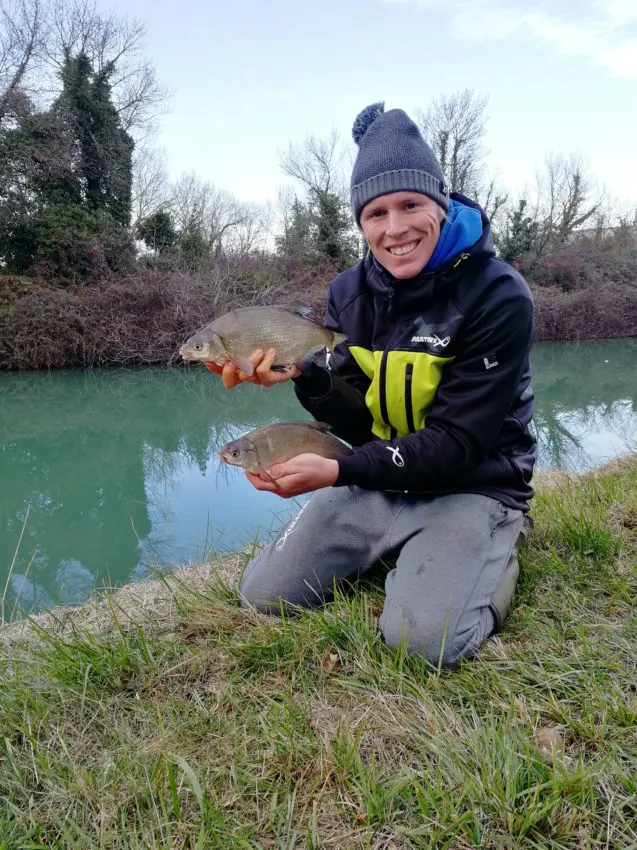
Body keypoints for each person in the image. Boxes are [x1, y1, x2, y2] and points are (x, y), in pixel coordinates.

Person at [210, 102, 536, 666]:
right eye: (376, 213)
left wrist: (338, 471)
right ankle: (400, 546)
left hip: (472, 483)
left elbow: (458, 443)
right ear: (360, 222)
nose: (395, 229)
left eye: (410, 205)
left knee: (423, 644)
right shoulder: (347, 296)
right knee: (263, 595)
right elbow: (355, 421)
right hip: (383, 476)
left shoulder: (498, 295)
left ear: (440, 202)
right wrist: (309, 377)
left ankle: (496, 547)